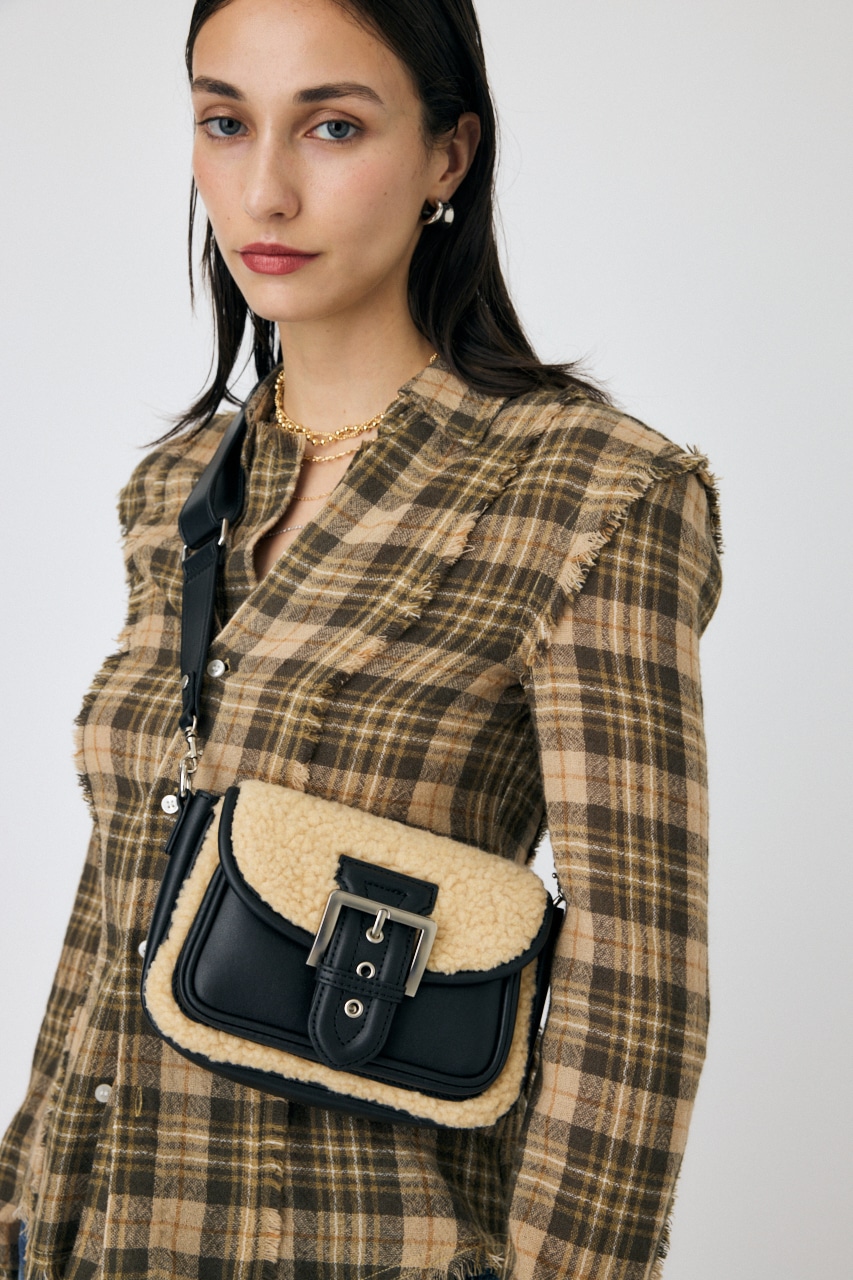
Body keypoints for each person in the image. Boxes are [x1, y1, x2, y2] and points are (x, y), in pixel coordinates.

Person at [0, 0, 722, 1277]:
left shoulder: (591, 492)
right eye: (226, 123)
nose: (264, 190)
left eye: (332, 126)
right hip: (87, 1225)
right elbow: (118, 907)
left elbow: (636, 986)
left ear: (449, 154)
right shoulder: (177, 489)